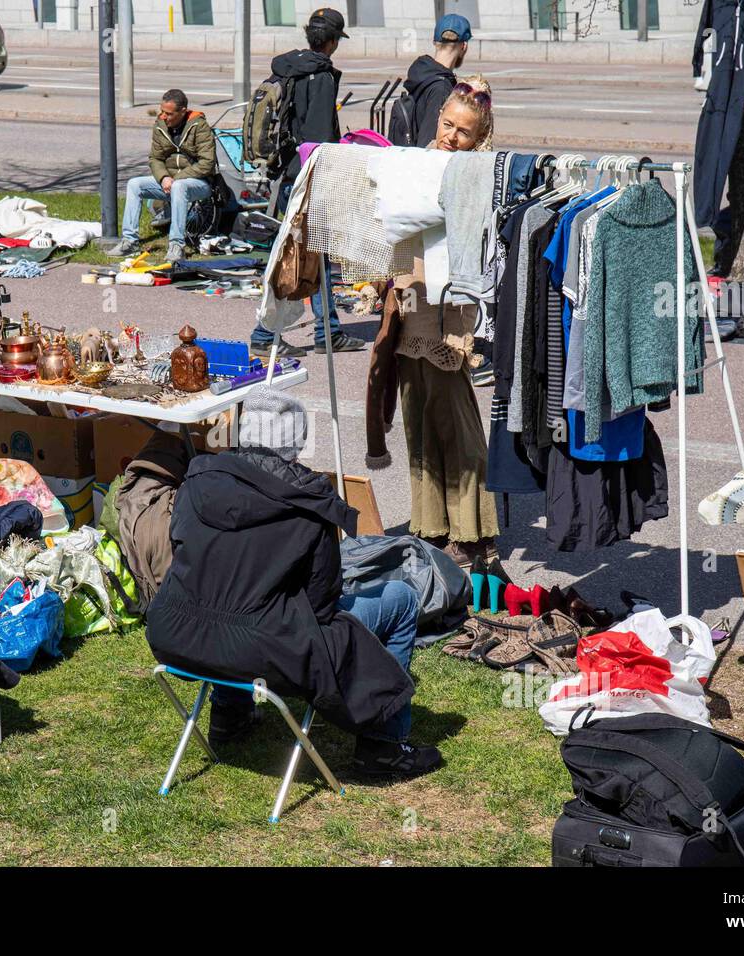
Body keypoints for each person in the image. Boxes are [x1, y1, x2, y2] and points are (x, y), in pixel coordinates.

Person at [146, 387, 442, 777]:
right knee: (400, 598)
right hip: (261, 648)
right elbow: (322, 604)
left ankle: (228, 719)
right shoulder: (307, 502)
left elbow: (186, 556)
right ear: (295, 444)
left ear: (243, 434)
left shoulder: (196, 482)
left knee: (235, 604)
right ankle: (383, 746)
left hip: (176, 635)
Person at [378, 78, 499, 571]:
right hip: (410, 302)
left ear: (480, 137)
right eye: (448, 124)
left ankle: (472, 533)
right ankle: (430, 525)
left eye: (464, 132)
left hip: (451, 310)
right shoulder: (413, 164)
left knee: (457, 423)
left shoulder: (479, 174)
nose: (452, 135)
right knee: (419, 419)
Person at [248, 8, 364, 358]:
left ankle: (321, 330)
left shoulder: (288, 69)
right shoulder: (322, 76)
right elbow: (319, 138)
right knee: (303, 257)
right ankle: (274, 335)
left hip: (287, 172)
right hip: (309, 176)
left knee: (298, 254)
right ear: (331, 41)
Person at [112, 89, 216, 263]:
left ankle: (177, 245)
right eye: (162, 111)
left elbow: (207, 163)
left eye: (169, 113)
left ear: (183, 111)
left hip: (198, 183)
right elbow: (155, 158)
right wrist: (163, 177)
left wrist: (177, 178)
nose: (164, 116)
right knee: (134, 184)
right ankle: (129, 241)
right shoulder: (160, 124)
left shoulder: (199, 126)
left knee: (179, 186)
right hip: (169, 181)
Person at [395, 13, 471, 148]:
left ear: (435, 42)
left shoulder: (422, 74)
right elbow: (428, 145)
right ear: (463, 46)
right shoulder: (441, 88)